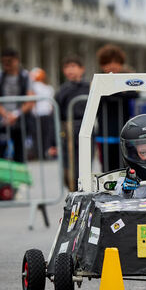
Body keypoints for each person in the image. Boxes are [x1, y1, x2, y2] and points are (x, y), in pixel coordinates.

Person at [96, 44, 138, 171]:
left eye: (116, 62)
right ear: (102, 65)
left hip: (124, 132)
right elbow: (101, 96)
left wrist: (113, 93)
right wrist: (121, 93)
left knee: (124, 168)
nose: (112, 65)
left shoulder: (127, 79)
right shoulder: (98, 80)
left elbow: (134, 94)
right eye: (108, 62)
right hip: (104, 133)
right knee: (107, 170)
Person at [0, 48, 35, 163]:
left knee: (20, 154)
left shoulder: (25, 77)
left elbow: (31, 100)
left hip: (20, 121)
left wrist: (16, 114)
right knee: (0, 154)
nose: (6, 64)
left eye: (10, 61)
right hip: (2, 121)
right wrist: (5, 114)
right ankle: (2, 180)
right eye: (4, 61)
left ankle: (18, 179)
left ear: (17, 61)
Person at [55, 55, 90, 191]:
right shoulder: (62, 90)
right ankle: (72, 189)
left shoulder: (89, 87)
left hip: (86, 128)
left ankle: (81, 191)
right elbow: (56, 113)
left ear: (82, 69)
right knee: (68, 166)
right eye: (67, 67)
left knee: (84, 164)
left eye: (73, 67)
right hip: (67, 129)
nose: (70, 70)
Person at [30, 67, 56, 159]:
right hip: (42, 114)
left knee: (40, 135)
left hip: (41, 114)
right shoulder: (48, 87)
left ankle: (42, 153)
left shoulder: (42, 87)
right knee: (44, 135)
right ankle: (43, 153)